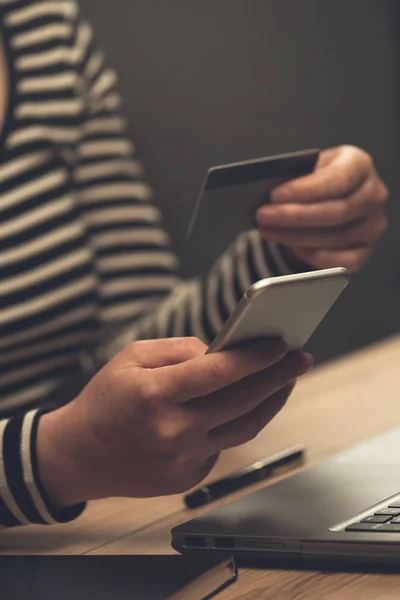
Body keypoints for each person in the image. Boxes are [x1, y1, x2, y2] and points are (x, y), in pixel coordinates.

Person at [0, 0, 388, 529]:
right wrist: (57, 458)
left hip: (99, 532)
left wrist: (294, 246)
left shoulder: (40, 28)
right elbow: (83, 437)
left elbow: (129, 350)